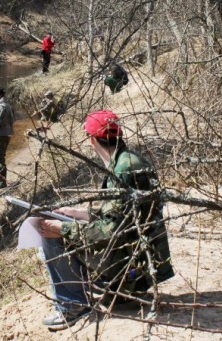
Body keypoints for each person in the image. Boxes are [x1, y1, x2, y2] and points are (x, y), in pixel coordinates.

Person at [35, 110, 173, 331]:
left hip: (133, 268)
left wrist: (63, 228)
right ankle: (100, 289)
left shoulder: (122, 170)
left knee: (50, 235)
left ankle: (73, 306)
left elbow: (110, 232)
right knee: (64, 225)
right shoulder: (127, 160)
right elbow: (122, 217)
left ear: (92, 140)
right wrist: (78, 213)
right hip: (139, 258)